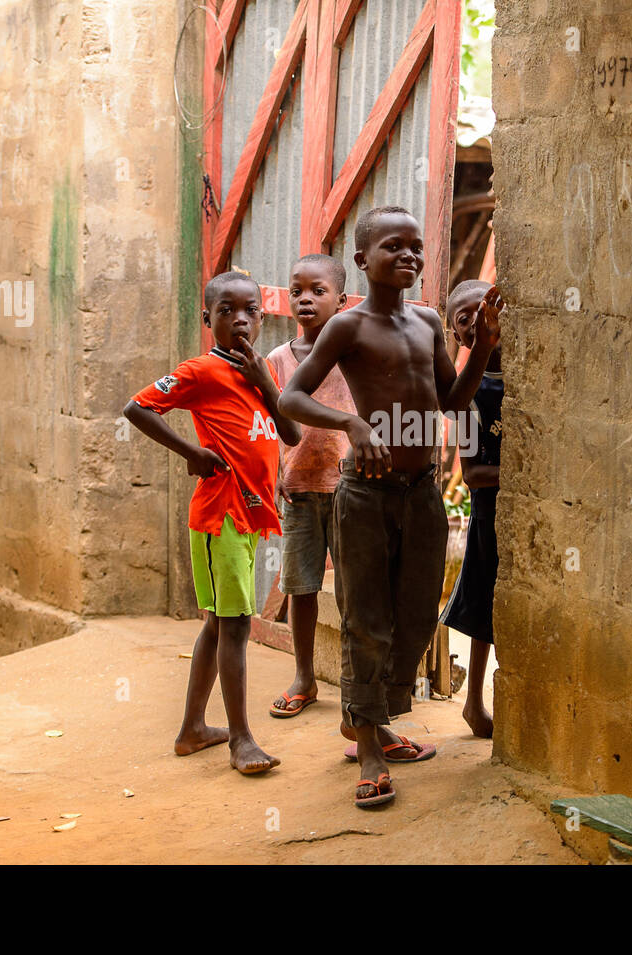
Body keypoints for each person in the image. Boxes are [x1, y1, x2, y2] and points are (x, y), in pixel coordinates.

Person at [278, 206, 502, 808]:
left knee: (415, 615)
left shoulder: (429, 322)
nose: (408, 256)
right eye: (393, 247)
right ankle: (370, 751)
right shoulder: (348, 328)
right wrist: (353, 423)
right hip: (365, 496)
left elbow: (453, 401)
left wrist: (481, 348)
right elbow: (292, 396)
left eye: (416, 248)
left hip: (421, 493)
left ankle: (371, 718)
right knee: (366, 618)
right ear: (362, 260)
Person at [123, 270, 300, 775]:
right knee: (236, 626)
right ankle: (241, 739)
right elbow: (137, 407)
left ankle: (193, 730)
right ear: (208, 318)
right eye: (226, 311)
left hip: (249, 516)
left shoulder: (262, 369)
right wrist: (192, 452)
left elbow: (288, 433)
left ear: (262, 317)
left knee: (218, 623)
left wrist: (265, 381)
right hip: (220, 513)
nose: (239, 319)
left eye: (250, 310)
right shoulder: (201, 371)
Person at [265, 253, 351, 720]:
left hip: (348, 491)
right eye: (297, 290)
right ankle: (304, 676)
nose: (305, 299)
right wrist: (273, 475)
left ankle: (357, 682)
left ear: (340, 300)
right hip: (298, 490)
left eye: (318, 291)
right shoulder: (277, 360)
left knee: (354, 590)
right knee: (301, 587)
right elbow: (265, 425)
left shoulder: (351, 357)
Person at [439, 280, 503, 739]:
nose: (476, 319)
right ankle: (474, 702)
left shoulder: (530, 375)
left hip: (517, 509)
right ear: (458, 336)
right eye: (464, 318)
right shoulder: (467, 394)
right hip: (489, 513)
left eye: (483, 309)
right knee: (483, 606)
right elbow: (475, 474)